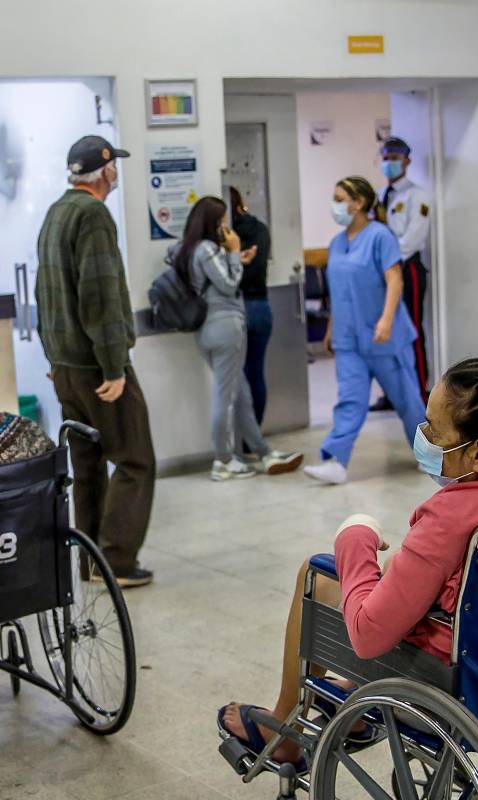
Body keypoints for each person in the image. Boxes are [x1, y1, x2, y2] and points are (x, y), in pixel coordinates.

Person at [220, 358, 478, 762]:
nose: (422, 437)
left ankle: (284, 728)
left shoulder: (451, 516)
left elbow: (369, 636)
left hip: (454, 689)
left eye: (434, 431)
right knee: (398, 576)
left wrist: (355, 539)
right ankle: (349, 699)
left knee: (316, 578)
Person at [35, 135, 155, 588]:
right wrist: (114, 367)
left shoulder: (56, 212)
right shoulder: (93, 215)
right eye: (114, 166)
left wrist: (53, 356)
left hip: (66, 369)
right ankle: (118, 562)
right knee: (135, 458)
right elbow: (100, 296)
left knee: (86, 464)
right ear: (104, 171)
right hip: (96, 368)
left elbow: (45, 291)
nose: (116, 173)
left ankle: (89, 561)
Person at [303, 177, 426, 485]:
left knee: (408, 401)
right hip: (349, 340)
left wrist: (386, 320)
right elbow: (338, 290)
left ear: (357, 203)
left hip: (386, 337)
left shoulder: (380, 236)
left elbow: (395, 279)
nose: (334, 204)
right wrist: (331, 328)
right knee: (349, 400)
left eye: (339, 197)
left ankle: (433, 458)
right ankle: (335, 460)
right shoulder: (336, 243)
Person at [169, 196, 302, 481]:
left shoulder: (188, 249)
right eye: (221, 221)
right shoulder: (206, 249)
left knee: (240, 393)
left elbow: (216, 278)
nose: (226, 226)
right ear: (212, 222)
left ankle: (263, 452)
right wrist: (234, 251)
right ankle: (223, 460)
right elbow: (229, 285)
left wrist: (233, 258)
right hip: (224, 327)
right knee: (225, 397)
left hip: (207, 329)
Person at [370, 137, 432, 411]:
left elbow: (413, 238)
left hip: (407, 269)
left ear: (407, 161)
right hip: (384, 270)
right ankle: (392, 392)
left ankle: (418, 392)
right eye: (385, 158)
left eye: (394, 158)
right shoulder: (380, 197)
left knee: (412, 330)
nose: (389, 163)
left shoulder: (417, 196)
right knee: (388, 331)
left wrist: (390, 261)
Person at [230, 186, 273, 428]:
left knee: (231, 376)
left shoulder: (224, 234)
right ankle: (254, 431)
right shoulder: (260, 229)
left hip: (234, 306)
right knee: (255, 371)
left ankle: (239, 435)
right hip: (260, 305)